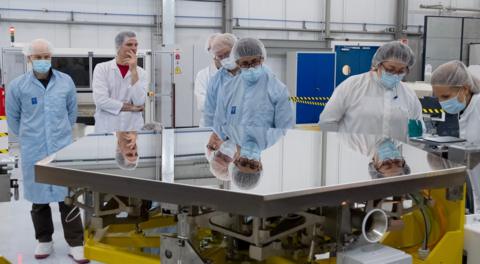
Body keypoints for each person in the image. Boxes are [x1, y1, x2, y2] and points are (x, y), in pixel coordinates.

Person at [6, 39, 88, 263]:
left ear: (51, 57)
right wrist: (30, 136)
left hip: (61, 148)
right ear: (29, 58)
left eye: (46, 57)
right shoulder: (18, 86)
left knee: (67, 197)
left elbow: (72, 113)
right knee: (39, 200)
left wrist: (59, 134)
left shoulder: (65, 82)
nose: (42, 61)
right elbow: (13, 119)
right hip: (34, 149)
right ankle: (44, 239)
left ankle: (76, 243)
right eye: (38, 57)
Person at [319, 41, 423, 142]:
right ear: (378, 65)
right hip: (353, 155)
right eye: (390, 69)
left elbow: (417, 133)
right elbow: (327, 123)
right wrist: (342, 149)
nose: (395, 75)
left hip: (393, 157)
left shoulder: (409, 95)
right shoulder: (352, 86)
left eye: (401, 71)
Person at [213, 37, 294, 136]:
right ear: (238, 63)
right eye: (245, 63)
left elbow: (285, 130)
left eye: (255, 61)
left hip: (267, 149)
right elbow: (219, 124)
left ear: (262, 59)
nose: (251, 68)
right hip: (235, 149)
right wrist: (230, 146)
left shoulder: (278, 90)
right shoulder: (228, 89)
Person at [92, 31, 148, 133]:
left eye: (136, 45)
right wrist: (132, 108)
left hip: (132, 129)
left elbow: (139, 102)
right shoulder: (102, 68)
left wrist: (134, 71)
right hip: (107, 129)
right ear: (118, 47)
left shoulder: (141, 73)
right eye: (129, 44)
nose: (134, 48)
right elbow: (101, 101)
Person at [431, 60, 480, 143]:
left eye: (446, 96)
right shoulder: (464, 106)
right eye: (438, 97)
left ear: (465, 89)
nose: (441, 102)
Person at [203, 33, 239, 127]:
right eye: (220, 56)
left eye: (227, 54)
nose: (225, 59)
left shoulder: (252, 75)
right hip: (223, 136)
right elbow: (209, 114)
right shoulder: (215, 81)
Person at [195, 33, 221, 126]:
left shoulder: (236, 73)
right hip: (209, 126)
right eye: (213, 48)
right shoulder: (203, 75)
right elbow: (202, 104)